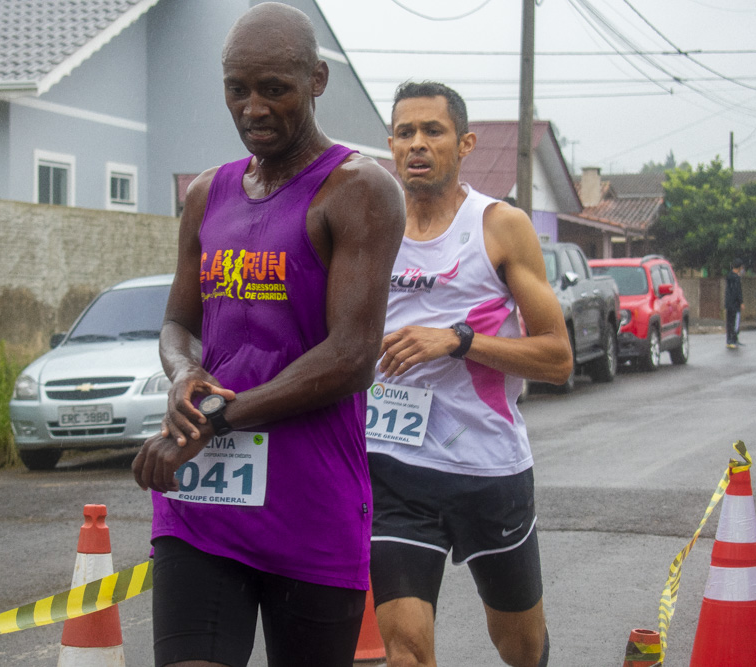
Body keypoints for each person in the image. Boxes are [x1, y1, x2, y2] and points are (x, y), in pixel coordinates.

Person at [130, 4, 405, 666]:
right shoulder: (207, 193)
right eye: (237, 89)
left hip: (311, 503)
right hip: (203, 500)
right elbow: (177, 324)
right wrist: (184, 375)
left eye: (274, 88)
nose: (253, 107)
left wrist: (216, 416)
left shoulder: (359, 189)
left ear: (317, 80)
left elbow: (351, 355)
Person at [366, 81, 572, 667]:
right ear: (391, 146)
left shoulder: (499, 226)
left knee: (521, 647)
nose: (418, 144)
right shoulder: (371, 230)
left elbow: (557, 358)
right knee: (405, 648)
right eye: (405, 133)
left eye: (433, 131)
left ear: (465, 143)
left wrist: (458, 342)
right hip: (395, 465)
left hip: (488, 468)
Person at [725, 258, 744, 348]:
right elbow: (737, 291)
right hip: (735, 303)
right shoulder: (736, 278)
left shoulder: (729, 276)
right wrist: (741, 302)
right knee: (734, 322)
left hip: (729, 303)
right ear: (740, 267)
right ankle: (732, 339)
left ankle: (730, 340)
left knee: (729, 322)